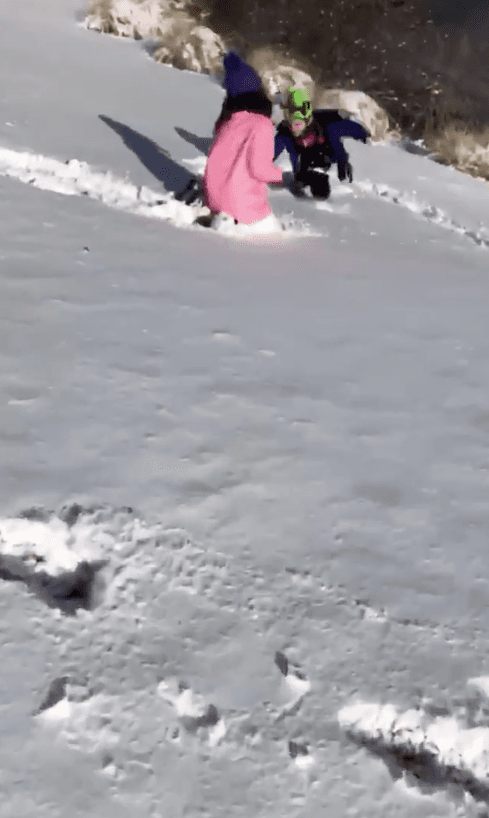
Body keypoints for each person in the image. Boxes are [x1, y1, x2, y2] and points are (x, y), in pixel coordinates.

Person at [200, 52, 283, 231]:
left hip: (213, 199)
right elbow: (260, 170)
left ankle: (221, 218)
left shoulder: (228, 122)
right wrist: (284, 176)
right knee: (277, 235)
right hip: (242, 205)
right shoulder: (261, 125)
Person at [274, 87, 369, 199]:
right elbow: (269, 155)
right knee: (308, 181)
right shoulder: (285, 133)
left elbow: (358, 131)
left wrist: (365, 136)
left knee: (321, 187)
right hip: (304, 167)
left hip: (329, 159)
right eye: (291, 125)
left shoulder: (327, 126)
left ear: (307, 119)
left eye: (298, 125)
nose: (294, 129)